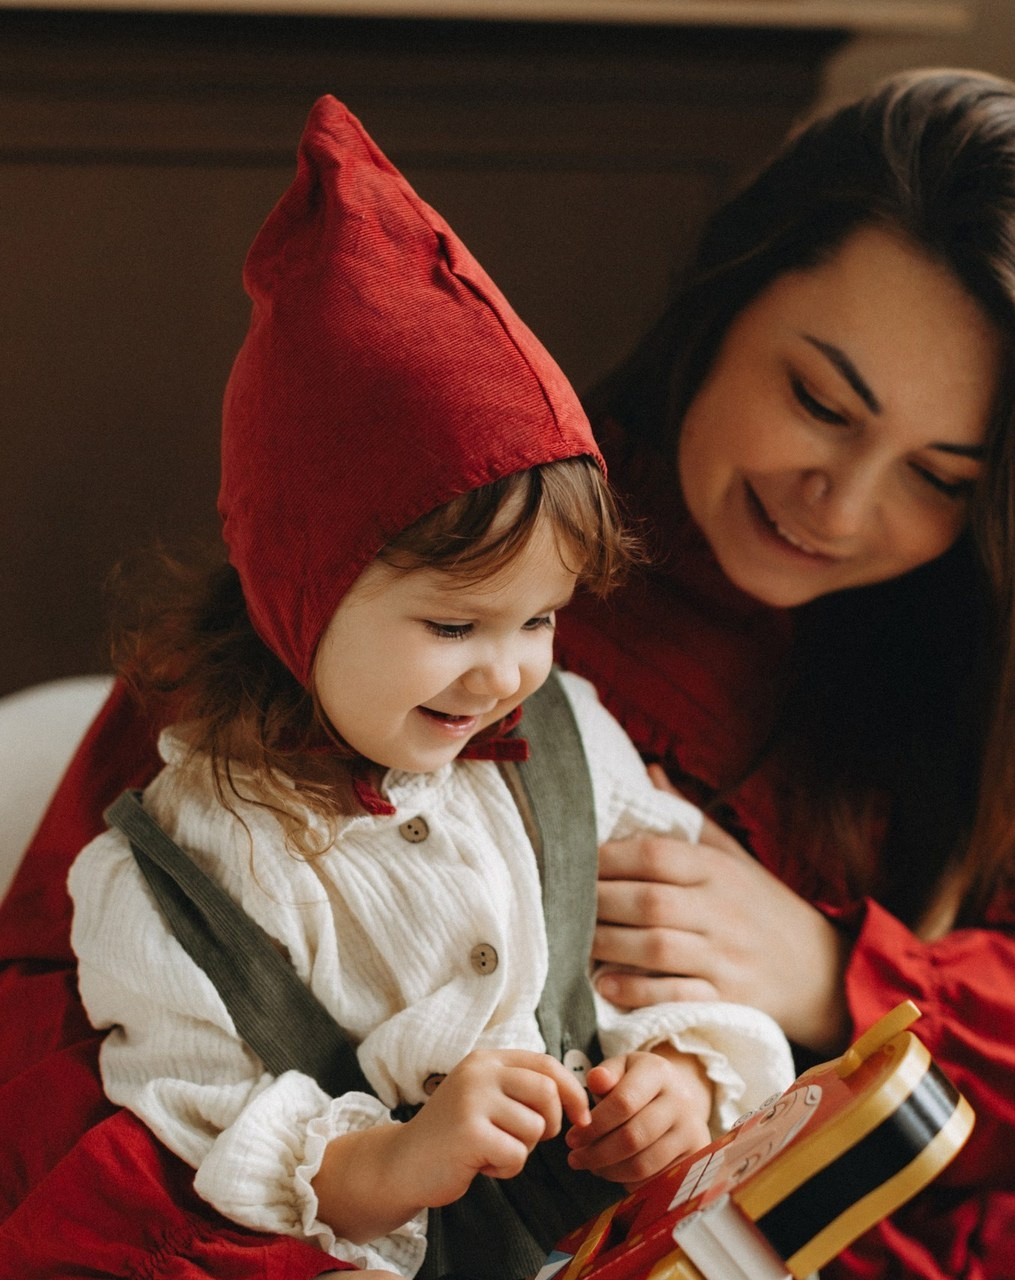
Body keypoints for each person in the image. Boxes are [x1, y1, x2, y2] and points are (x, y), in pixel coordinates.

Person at [0, 68, 1015, 1279]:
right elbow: (69, 1001)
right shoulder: (450, 538)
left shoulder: (985, 629)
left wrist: (832, 974)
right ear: (725, 305)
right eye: (819, 401)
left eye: (943, 477)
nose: (839, 503)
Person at [55, 94, 792, 1278]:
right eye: (454, 620)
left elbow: (661, 961)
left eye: (540, 617)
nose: (506, 668)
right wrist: (399, 1161)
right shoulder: (188, 866)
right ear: (299, 593)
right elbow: (205, 1115)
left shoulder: (564, 734)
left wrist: (672, 1074)